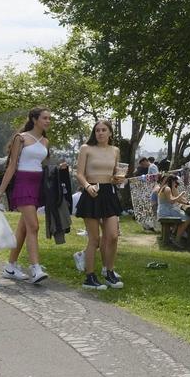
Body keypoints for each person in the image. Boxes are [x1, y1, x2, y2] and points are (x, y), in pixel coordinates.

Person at [0, 107, 52, 284]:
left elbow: (40, 164)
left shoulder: (45, 141)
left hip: (37, 185)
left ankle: (10, 266)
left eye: (49, 118)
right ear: (34, 119)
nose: (48, 121)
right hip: (23, 184)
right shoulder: (21, 138)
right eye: (44, 118)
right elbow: (11, 167)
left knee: (24, 228)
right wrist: (0, 193)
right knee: (34, 226)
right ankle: (35, 268)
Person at [74, 120, 127, 290]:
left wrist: (120, 179)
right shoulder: (86, 149)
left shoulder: (115, 151)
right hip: (91, 193)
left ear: (110, 132)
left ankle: (109, 272)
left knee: (112, 235)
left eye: (104, 130)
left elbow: (116, 174)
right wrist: (87, 186)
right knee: (94, 239)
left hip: (109, 193)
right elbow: (79, 174)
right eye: (97, 130)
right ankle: (89, 277)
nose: (100, 133)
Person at [156, 173, 190, 246]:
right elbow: (171, 201)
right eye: (174, 182)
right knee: (188, 218)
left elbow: (173, 199)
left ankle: (175, 234)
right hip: (166, 211)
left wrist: (186, 202)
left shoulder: (164, 187)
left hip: (164, 210)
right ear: (171, 181)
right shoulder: (167, 188)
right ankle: (177, 239)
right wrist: (181, 195)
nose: (175, 184)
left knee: (184, 216)